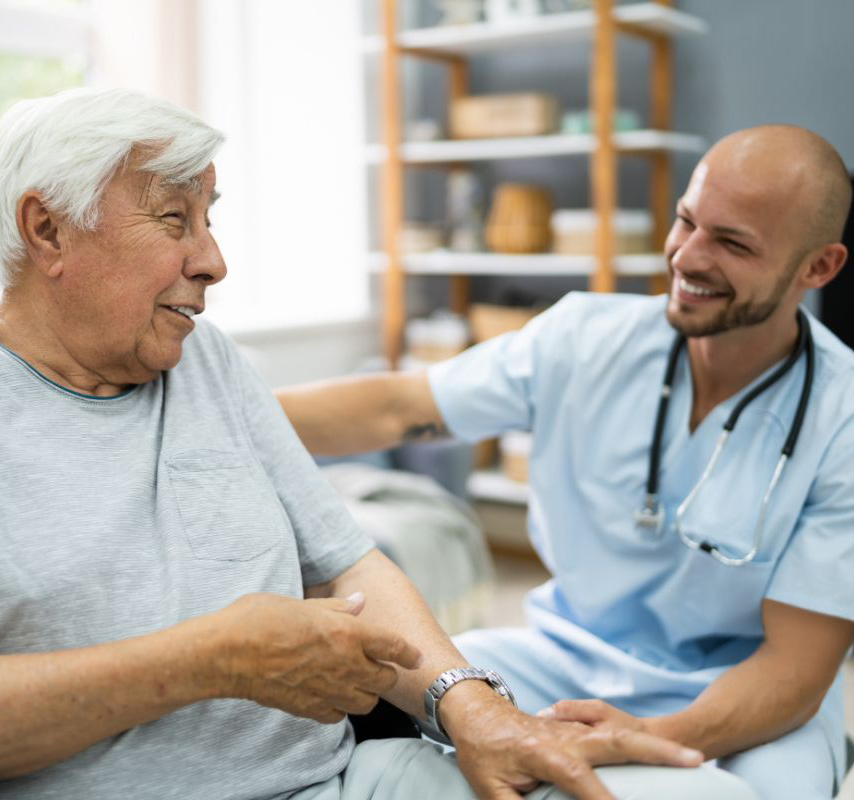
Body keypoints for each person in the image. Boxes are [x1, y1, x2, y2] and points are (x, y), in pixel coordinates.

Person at [0, 87, 755, 800]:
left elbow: (344, 567)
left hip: (339, 781)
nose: (213, 261)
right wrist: (208, 660)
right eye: (173, 219)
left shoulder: (205, 359)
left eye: (209, 219)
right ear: (47, 230)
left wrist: (467, 703)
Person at [277, 125, 854, 800]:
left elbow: (795, 667)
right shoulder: (581, 339)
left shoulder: (842, 417)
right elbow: (398, 407)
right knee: (371, 700)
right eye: (687, 222)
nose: (687, 257)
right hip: (561, 657)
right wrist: (227, 407)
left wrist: (641, 736)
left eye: (732, 244)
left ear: (818, 268)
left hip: (742, 698)